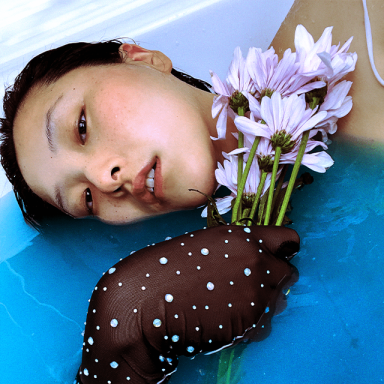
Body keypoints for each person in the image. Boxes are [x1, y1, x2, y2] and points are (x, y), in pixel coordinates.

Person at [0, 0, 382, 230]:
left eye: (81, 127)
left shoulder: (349, 33)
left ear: (144, 59)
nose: (104, 179)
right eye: (84, 198)